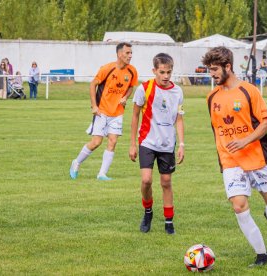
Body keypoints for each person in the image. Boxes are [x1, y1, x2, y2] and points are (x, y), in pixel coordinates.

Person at [202, 46, 267, 267]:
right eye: (210, 70)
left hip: (257, 158)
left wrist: (246, 140)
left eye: (215, 69)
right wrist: (224, 156)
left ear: (228, 66)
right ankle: (261, 255)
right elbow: (217, 131)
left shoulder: (249, 91)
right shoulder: (211, 98)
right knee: (239, 205)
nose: (212, 74)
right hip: (231, 162)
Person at [129, 53, 184, 235]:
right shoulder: (144, 89)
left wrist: (182, 144)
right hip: (147, 141)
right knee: (146, 180)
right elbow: (135, 115)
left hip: (167, 144)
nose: (166, 76)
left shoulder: (178, 92)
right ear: (154, 71)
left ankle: (169, 222)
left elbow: (179, 119)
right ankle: (148, 212)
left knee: (166, 181)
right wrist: (132, 144)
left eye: (169, 72)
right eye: (162, 72)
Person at [69, 42, 138, 180]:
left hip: (117, 113)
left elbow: (131, 86)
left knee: (112, 141)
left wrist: (125, 97)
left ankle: (102, 174)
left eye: (131, 53)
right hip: (102, 111)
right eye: (127, 53)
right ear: (119, 54)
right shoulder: (107, 68)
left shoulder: (132, 71)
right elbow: (93, 84)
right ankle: (76, 162)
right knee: (96, 142)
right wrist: (94, 106)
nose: (130, 55)